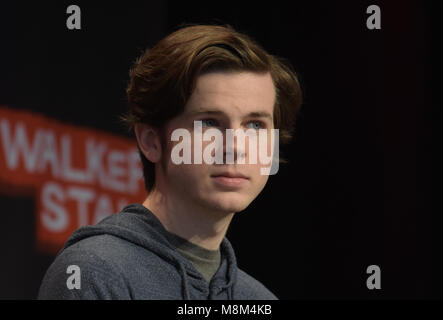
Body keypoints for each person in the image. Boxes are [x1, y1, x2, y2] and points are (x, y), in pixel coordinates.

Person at [38, 24, 302, 300]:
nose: (236, 147)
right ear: (152, 141)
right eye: (209, 123)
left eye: (255, 125)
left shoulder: (259, 300)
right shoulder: (92, 273)